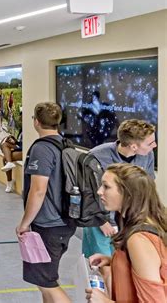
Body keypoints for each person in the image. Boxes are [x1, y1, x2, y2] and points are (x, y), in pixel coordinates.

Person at [16, 102, 76, 303]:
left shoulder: (42, 149)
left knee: (46, 283)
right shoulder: (66, 145)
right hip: (64, 221)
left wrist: (24, 223)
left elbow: (38, 190)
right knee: (47, 280)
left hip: (48, 225)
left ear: (36, 122)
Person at [85, 163, 166, 303]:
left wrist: (105, 302)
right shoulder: (144, 227)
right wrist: (115, 261)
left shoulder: (139, 240)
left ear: (128, 194)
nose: (99, 191)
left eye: (106, 186)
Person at [83, 119, 157, 262]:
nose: (154, 146)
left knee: (121, 264)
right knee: (100, 267)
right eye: (150, 143)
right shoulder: (96, 156)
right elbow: (86, 192)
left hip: (128, 222)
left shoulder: (147, 155)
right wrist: (101, 221)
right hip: (100, 220)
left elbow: (148, 188)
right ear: (134, 146)